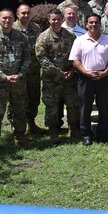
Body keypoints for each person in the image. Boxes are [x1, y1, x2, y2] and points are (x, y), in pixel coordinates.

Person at [0, 8, 31, 154]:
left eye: (10, 18)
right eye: (4, 18)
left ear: (13, 19)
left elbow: (27, 57)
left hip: (18, 82)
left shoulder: (21, 37)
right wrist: (4, 77)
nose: (7, 20)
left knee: (19, 109)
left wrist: (20, 74)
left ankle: (19, 135)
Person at [70, 14, 108, 146]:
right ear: (86, 24)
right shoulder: (79, 40)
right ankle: (86, 135)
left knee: (104, 107)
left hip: (103, 78)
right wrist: (85, 72)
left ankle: (102, 134)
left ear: (100, 24)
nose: (93, 25)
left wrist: (104, 73)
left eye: (96, 22)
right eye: (90, 22)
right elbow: (75, 60)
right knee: (85, 107)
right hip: (85, 78)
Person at [35, 9, 80, 144]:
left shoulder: (70, 36)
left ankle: (73, 128)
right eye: (53, 19)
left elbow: (76, 55)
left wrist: (72, 70)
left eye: (58, 19)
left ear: (62, 20)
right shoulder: (43, 37)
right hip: (52, 80)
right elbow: (42, 59)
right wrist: (59, 73)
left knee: (73, 104)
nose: (56, 22)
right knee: (52, 106)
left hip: (69, 78)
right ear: (49, 20)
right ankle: (53, 131)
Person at [13, 3, 44, 135]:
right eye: (23, 13)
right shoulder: (12, 28)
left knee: (34, 98)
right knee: (18, 99)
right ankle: (17, 128)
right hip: (17, 71)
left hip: (33, 70)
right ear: (17, 14)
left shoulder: (35, 28)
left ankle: (31, 124)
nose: (26, 15)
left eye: (28, 13)